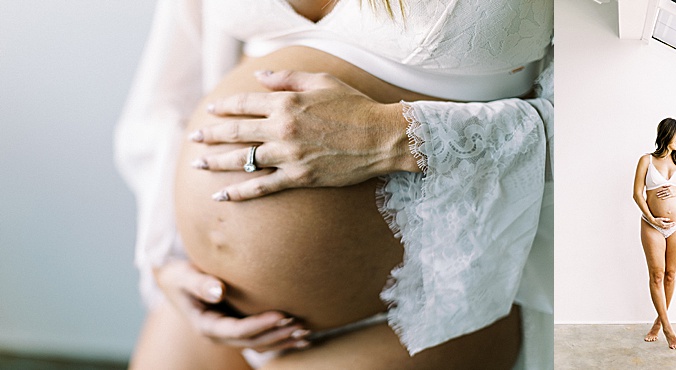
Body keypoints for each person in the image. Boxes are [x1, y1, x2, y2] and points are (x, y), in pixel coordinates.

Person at [114, 0, 554, 368]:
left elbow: (611, 119)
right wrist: (165, 256)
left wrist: (393, 135)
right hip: (212, 300)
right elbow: (172, 83)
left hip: (433, 305)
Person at [632, 118, 676, 350]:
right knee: (657, 275)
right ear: (666, 134)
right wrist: (651, 218)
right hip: (652, 225)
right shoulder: (646, 160)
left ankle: (659, 323)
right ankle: (669, 329)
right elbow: (637, 194)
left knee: (671, 274)